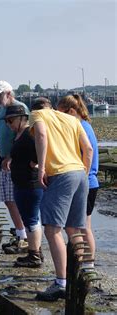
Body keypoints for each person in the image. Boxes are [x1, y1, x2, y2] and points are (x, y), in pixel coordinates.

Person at [30, 97, 93, 301]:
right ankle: (78, 277)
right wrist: (84, 171)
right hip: (79, 172)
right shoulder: (72, 120)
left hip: (60, 174)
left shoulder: (37, 115)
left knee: (52, 229)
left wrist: (41, 168)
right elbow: (89, 149)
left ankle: (61, 283)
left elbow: (40, 134)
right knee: (74, 228)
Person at [57, 94, 99, 271]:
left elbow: (87, 152)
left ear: (72, 111)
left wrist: (83, 176)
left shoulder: (80, 127)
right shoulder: (84, 126)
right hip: (89, 181)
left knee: (79, 227)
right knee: (82, 226)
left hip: (86, 182)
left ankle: (86, 264)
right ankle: (86, 264)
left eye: (62, 114)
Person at [0, 81, 29, 254]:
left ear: (9, 92)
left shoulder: (20, 109)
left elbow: (24, 134)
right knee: (8, 199)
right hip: (4, 159)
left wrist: (12, 156)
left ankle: (25, 236)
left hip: (16, 161)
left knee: (18, 199)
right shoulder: (2, 111)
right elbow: (3, 135)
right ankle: (21, 233)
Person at [4, 105, 44, 268]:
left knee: (31, 219)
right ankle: (35, 250)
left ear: (22, 118)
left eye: (11, 120)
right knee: (29, 219)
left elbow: (41, 152)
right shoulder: (19, 135)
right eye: (7, 121)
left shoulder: (29, 134)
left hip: (30, 183)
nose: (8, 124)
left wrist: (35, 164)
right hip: (21, 183)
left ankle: (34, 254)